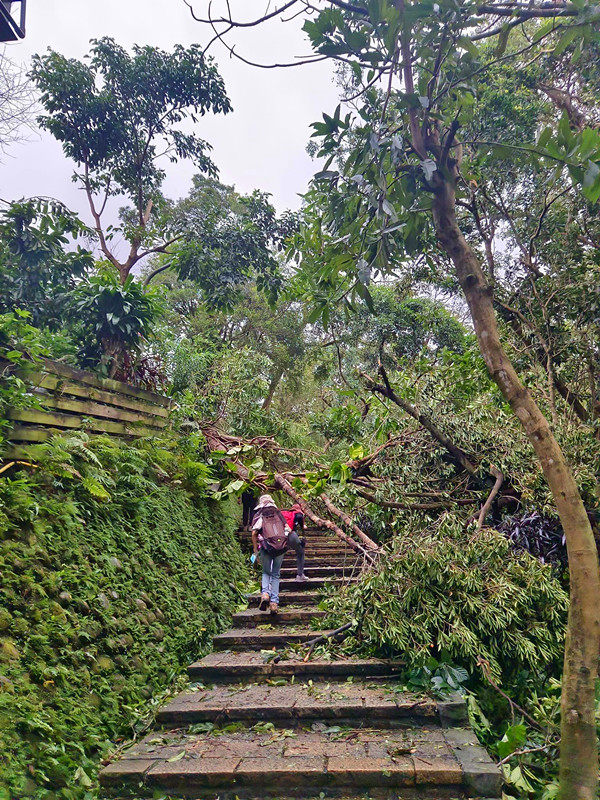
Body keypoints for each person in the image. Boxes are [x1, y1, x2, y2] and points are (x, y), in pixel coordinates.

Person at [251, 494, 290, 614]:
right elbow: (288, 530)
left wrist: (255, 549)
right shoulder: (279, 514)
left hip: (266, 547)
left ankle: (265, 595)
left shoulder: (261, 515)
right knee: (276, 575)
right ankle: (274, 603)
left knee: (266, 572)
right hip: (280, 548)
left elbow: (253, 533)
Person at [281, 503, 307, 582]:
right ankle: (300, 575)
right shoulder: (299, 515)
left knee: (278, 553)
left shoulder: (284, 514)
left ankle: (272, 575)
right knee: (300, 552)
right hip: (291, 535)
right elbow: (303, 527)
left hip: (280, 536)